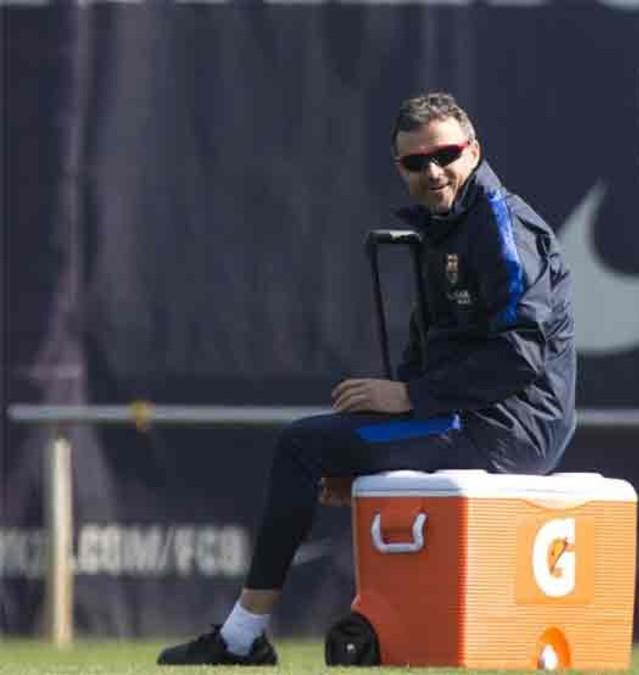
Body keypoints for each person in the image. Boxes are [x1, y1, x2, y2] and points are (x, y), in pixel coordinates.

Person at [157, 92, 577, 666]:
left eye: (446, 154)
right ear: (399, 169)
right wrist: (387, 430)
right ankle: (274, 633)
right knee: (315, 450)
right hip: (471, 415)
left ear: (473, 150)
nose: (432, 171)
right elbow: (430, 349)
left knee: (302, 444)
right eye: (415, 163)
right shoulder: (445, 225)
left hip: (510, 425)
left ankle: (241, 638)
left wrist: (410, 398)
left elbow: (521, 355)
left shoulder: (498, 226)